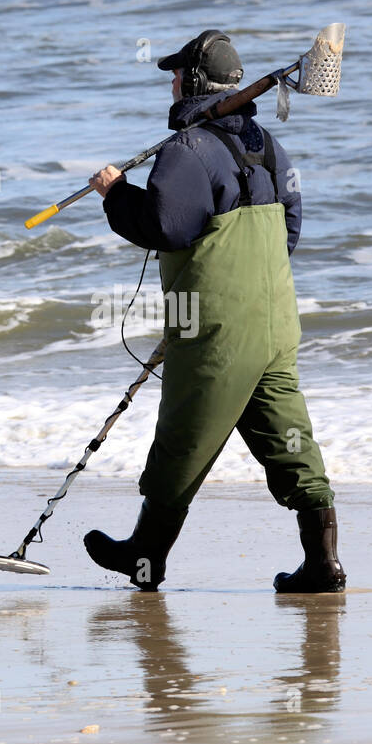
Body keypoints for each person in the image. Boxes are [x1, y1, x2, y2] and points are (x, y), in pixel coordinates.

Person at [83, 29, 345, 593]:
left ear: (195, 82)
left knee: (182, 441)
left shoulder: (186, 151)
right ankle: (324, 564)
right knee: (289, 438)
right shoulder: (271, 147)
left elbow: (163, 226)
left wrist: (117, 193)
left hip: (215, 331)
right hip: (275, 324)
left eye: (177, 74)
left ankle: (144, 557)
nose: (171, 83)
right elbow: (289, 232)